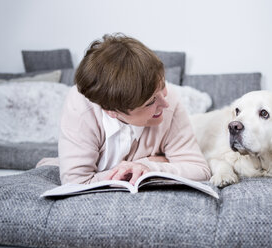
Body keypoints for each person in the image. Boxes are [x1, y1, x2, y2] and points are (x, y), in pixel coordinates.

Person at [37, 33, 210, 185]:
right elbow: (77, 181)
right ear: (110, 110)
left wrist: (147, 166)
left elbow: (199, 170)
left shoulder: (169, 99)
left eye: (163, 85)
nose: (165, 103)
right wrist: (157, 161)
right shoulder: (80, 107)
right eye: (150, 102)